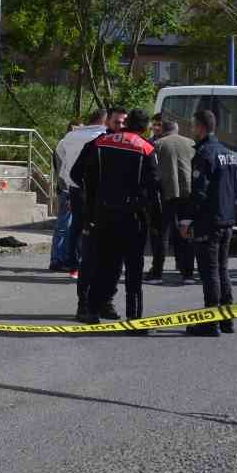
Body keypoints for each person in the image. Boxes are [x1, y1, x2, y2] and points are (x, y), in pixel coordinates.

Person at [72, 108, 161, 333]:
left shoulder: (100, 143)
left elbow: (76, 174)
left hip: (102, 215)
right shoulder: (146, 148)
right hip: (133, 218)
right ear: (144, 128)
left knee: (103, 264)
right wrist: (157, 222)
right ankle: (134, 319)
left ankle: (92, 311)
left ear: (127, 123)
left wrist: (93, 197)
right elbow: (153, 190)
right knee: (133, 270)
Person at [185, 108, 237, 337]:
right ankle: (227, 319)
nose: (192, 129)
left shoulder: (205, 154)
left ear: (201, 127)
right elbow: (234, 190)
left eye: (194, 125)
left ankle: (211, 322)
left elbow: (199, 193)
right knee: (222, 270)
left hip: (209, 221)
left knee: (210, 273)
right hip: (227, 219)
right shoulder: (229, 153)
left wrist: (188, 220)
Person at [51, 109, 106, 275]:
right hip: (75, 189)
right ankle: (65, 260)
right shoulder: (100, 137)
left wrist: (66, 186)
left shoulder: (67, 139)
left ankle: (67, 261)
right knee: (72, 227)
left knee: (72, 227)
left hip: (70, 187)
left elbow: (61, 165)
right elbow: (61, 165)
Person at [147, 115, 197, 284]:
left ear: (163, 131)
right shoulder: (191, 143)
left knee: (163, 235)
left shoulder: (157, 144)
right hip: (188, 195)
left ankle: (157, 272)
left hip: (166, 195)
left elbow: (153, 172)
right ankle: (188, 272)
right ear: (177, 130)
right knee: (186, 232)